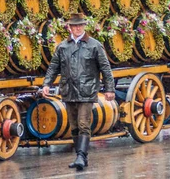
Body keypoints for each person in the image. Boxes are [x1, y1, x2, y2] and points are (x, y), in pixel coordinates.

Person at [42, 13, 115, 171]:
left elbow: (105, 69)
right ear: (69, 27)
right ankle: (81, 156)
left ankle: (81, 156)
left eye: (80, 25)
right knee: (73, 125)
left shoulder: (94, 45)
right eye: (74, 26)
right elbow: (53, 67)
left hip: (87, 90)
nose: (77, 28)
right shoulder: (62, 47)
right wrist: (47, 84)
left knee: (83, 123)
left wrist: (110, 89)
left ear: (84, 26)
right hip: (69, 91)